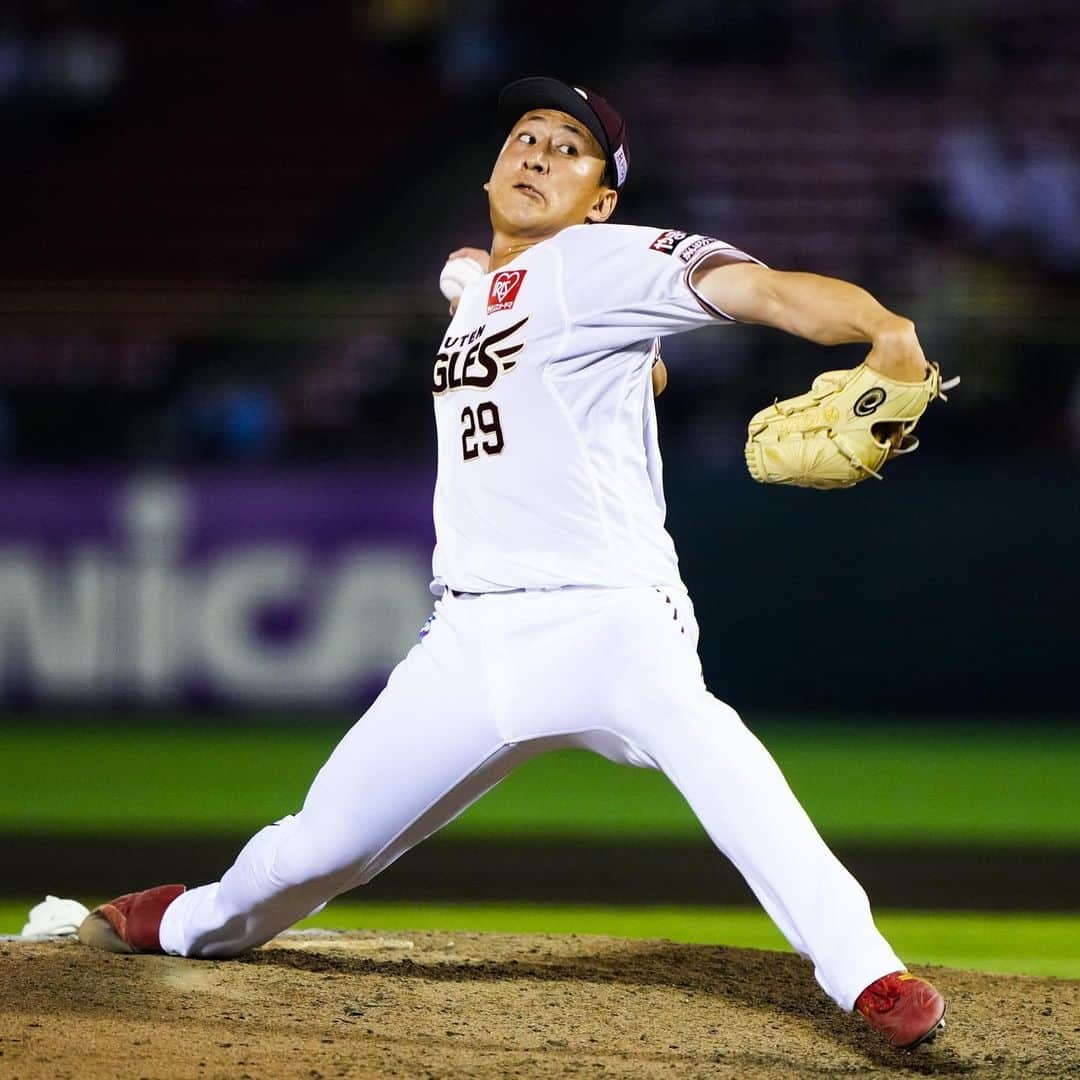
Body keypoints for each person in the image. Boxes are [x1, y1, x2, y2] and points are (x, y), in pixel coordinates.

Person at [80, 77, 946, 1051]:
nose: (536, 152)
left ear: (603, 201)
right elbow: (622, 360)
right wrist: (483, 288)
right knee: (323, 847)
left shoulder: (606, 257)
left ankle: (867, 972)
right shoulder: (482, 287)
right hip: (468, 637)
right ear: (492, 167)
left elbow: (764, 290)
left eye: (569, 148)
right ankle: (191, 920)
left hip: (607, 619)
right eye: (524, 136)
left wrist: (885, 330)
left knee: (714, 751)